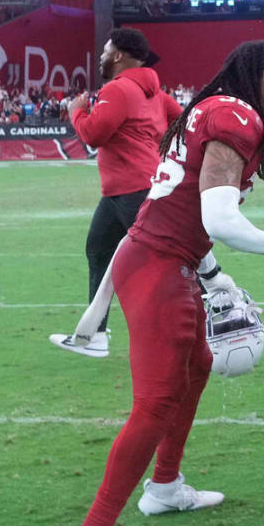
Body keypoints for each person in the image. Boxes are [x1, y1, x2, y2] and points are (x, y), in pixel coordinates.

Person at [57, 41, 264, 526]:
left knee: (197, 365)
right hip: (157, 264)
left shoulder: (210, 107)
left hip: (161, 256)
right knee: (155, 403)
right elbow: (220, 218)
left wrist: (213, 273)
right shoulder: (235, 115)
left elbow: (183, 206)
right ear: (254, 73)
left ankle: (164, 487)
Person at [50, 29, 182, 359]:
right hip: (127, 188)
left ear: (119, 55)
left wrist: (76, 112)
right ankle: (95, 336)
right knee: (99, 250)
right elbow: (180, 120)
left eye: (106, 50)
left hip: (132, 188)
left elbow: (95, 134)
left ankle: (193, 328)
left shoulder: (119, 88)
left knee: (160, 262)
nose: (101, 56)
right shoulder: (154, 90)